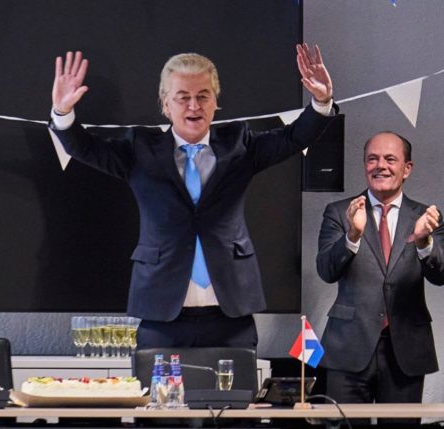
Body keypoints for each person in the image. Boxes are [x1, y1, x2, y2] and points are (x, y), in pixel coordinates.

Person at [49, 45, 337, 349]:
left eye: (203, 96)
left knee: (235, 395)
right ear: (166, 104)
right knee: (158, 397)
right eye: (182, 97)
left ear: (215, 102)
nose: (193, 106)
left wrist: (321, 101)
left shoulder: (239, 144)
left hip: (231, 316)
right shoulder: (140, 149)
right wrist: (63, 113)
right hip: (161, 315)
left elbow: (295, 137)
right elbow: (84, 148)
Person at [316, 131, 444, 406]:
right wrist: (352, 234)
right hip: (347, 349)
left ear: (407, 168)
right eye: (372, 159)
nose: (380, 166)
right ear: (364, 165)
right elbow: (326, 271)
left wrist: (423, 241)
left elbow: (440, 275)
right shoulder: (339, 212)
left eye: (390, 159)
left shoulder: (428, 216)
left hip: (407, 349)